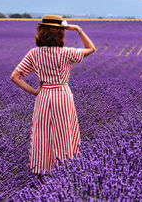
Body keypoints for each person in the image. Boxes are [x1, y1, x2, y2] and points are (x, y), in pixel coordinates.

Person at [10, 15, 96, 183]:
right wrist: (78, 29)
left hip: (44, 96)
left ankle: (42, 175)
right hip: (63, 96)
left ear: (41, 33)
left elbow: (15, 76)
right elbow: (91, 48)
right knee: (64, 133)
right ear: (60, 34)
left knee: (42, 134)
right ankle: (66, 171)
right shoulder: (67, 53)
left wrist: (35, 92)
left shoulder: (34, 53)